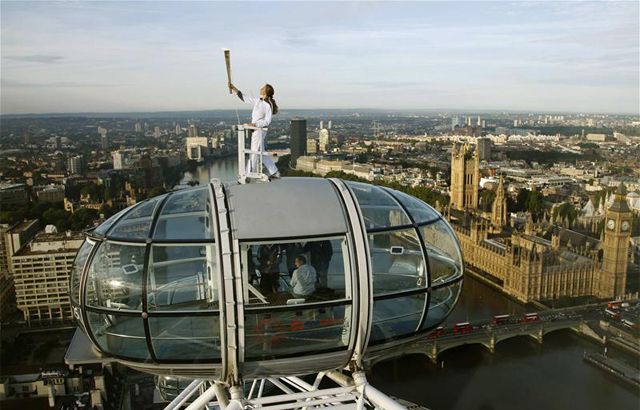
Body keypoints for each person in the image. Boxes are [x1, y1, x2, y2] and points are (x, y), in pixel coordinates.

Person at [229, 83, 280, 179]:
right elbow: (244, 98)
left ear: (266, 91)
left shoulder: (268, 105)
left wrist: (255, 124)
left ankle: (248, 174)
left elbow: (267, 121)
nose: (261, 88)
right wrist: (234, 88)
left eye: (263, 87)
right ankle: (274, 171)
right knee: (261, 152)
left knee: (254, 152)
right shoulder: (258, 101)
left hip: (259, 130)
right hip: (256, 130)